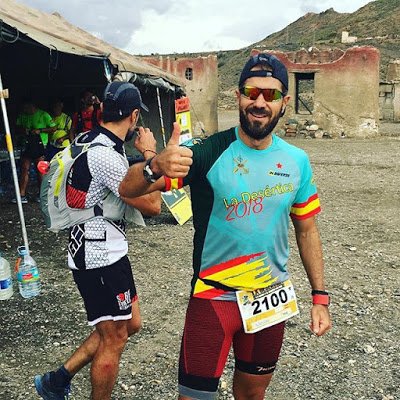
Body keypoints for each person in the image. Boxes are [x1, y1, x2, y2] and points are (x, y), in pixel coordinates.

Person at [120, 52, 332, 400]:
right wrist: (154, 165)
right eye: (251, 92)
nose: (259, 102)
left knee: (252, 394)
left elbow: (307, 229)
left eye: (270, 94)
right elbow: (127, 190)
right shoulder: (207, 152)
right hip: (213, 296)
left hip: (270, 297)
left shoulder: (297, 161)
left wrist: (320, 297)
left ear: (284, 102)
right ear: (238, 96)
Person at [34, 81, 193, 400]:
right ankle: (66, 385)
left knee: (130, 323)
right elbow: (152, 206)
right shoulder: (107, 157)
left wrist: (155, 169)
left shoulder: (88, 139)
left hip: (105, 253)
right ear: (134, 116)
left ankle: (57, 379)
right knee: (114, 338)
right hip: (99, 258)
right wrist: (151, 154)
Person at [13, 98, 56, 203]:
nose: (25, 110)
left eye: (27, 107)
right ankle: (22, 195)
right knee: (24, 168)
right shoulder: (22, 115)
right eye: (24, 108)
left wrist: (40, 130)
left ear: (33, 106)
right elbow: (16, 127)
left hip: (40, 145)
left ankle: (42, 194)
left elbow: (53, 128)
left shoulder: (43, 114)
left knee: (40, 170)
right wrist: (23, 130)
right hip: (27, 144)